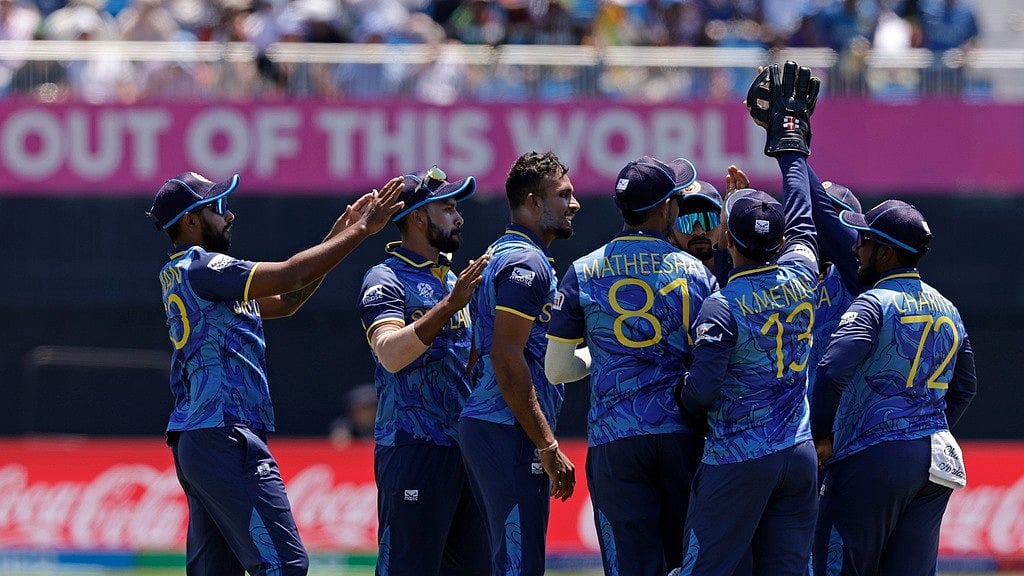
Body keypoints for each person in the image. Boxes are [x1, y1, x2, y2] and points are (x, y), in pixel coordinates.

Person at [148, 171, 403, 576]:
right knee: (285, 564)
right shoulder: (203, 266)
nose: (229, 215)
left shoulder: (189, 275)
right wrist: (361, 231)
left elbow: (286, 301)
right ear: (191, 221)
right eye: (217, 207)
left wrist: (337, 235)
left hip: (200, 437)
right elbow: (289, 275)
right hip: (223, 434)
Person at [675, 61, 821, 575]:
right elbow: (801, 216)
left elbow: (702, 392)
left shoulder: (722, 304)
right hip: (798, 454)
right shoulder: (803, 274)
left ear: (726, 241)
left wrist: (682, 390)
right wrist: (793, 148)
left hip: (740, 454)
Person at [545, 156, 715, 576]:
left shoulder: (582, 272)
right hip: (683, 438)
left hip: (615, 441)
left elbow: (558, 370)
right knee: (688, 565)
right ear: (664, 210)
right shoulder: (695, 272)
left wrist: (598, 356)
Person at [810, 200, 978, 576]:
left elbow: (832, 370)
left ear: (885, 252)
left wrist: (822, 434)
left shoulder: (872, 303)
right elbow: (965, 387)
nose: (855, 248)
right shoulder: (948, 307)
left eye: (864, 241)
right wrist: (924, 427)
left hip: (870, 457)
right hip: (934, 467)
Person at [357, 166, 491, 576]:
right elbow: (390, 353)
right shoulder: (384, 278)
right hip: (412, 447)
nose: (459, 217)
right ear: (418, 217)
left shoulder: (451, 278)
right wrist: (449, 306)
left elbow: (467, 363)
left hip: (462, 450)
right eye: (448, 208)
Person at [458, 151, 581, 576]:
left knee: (511, 562)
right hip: (506, 430)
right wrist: (547, 445)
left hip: (494, 426)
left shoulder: (504, 253)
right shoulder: (526, 262)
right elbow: (505, 356)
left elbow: (482, 350)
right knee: (519, 565)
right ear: (533, 202)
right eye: (563, 194)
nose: (575, 203)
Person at [668, 176, 730, 288]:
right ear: (670, 233)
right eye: (685, 223)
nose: (699, 232)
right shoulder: (663, 282)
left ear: (722, 224)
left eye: (708, 220)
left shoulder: (740, 275)